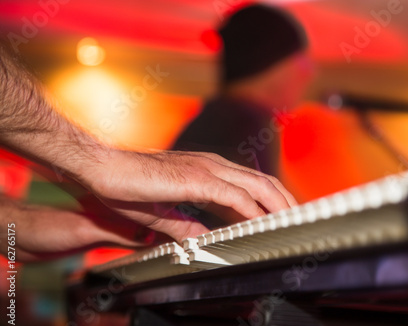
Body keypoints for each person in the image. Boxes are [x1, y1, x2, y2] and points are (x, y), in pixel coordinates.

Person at [0, 43, 296, 261]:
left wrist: (13, 222)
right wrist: (95, 159)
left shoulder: (218, 113)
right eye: (302, 65)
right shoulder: (248, 116)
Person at [173, 4, 314, 177]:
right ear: (274, 67)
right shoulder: (246, 124)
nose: (309, 73)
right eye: (301, 62)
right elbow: (263, 201)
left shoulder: (215, 119)